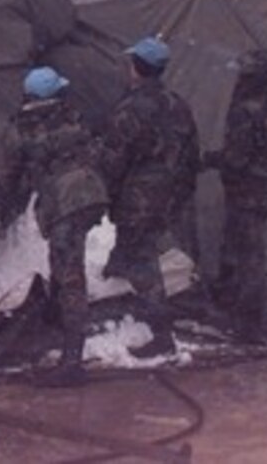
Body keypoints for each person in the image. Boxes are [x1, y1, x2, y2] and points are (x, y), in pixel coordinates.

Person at [0, 67, 107, 379]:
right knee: (63, 263)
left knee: (70, 275)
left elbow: (9, 175)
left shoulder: (21, 129)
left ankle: (72, 362)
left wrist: (0, 206)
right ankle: (57, 322)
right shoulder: (72, 116)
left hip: (65, 204)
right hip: (91, 194)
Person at [99, 36, 200, 358]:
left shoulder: (130, 109)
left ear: (135, 69)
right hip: (167, 195)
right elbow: (191, 155)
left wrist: (105, 193)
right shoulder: (177, 104)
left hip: (137, 197)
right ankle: (115, 272)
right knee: (139, 246)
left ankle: (162, 335)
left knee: (145, 263)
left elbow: (114, 160)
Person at [203, 49, 267, 342]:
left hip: (246, 191)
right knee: (242, 250)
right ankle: (235, 310)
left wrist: (209, 160)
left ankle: (248, 323)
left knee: (248, 256)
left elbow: (237, 158)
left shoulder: (244, 110)